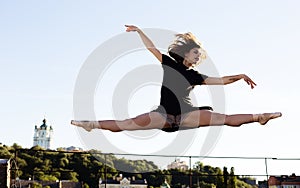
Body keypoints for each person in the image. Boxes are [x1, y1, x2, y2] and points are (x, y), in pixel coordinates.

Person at [71, 25, 282, 132]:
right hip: (163, 115)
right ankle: (92, 125)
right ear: (186, 54)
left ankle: (259, 117)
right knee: (126, 123)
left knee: (225, 119)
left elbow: (222, 81)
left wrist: (240, 75)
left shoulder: (195, 76)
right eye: (195, 54)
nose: (198, 57)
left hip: (187, 115)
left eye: (200, 56)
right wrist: (139, 31)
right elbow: (151, 48)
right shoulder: (169, 63)